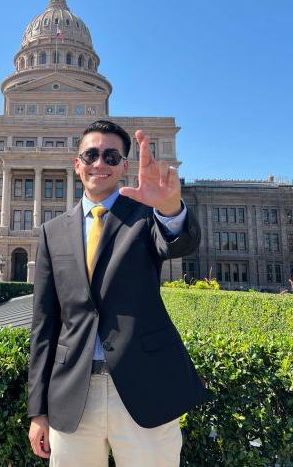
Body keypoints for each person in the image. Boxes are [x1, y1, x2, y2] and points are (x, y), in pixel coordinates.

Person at [27, 120, 210, 466]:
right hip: (73, 394)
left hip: (145, 387)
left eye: (111, 157)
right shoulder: (53, 232)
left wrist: (170, 209)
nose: (100, 163)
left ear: (125, 167)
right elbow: (44, 325)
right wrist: (38, 410)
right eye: (91, 154)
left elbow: (180, 242)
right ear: (77, 163)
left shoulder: (146, 216)